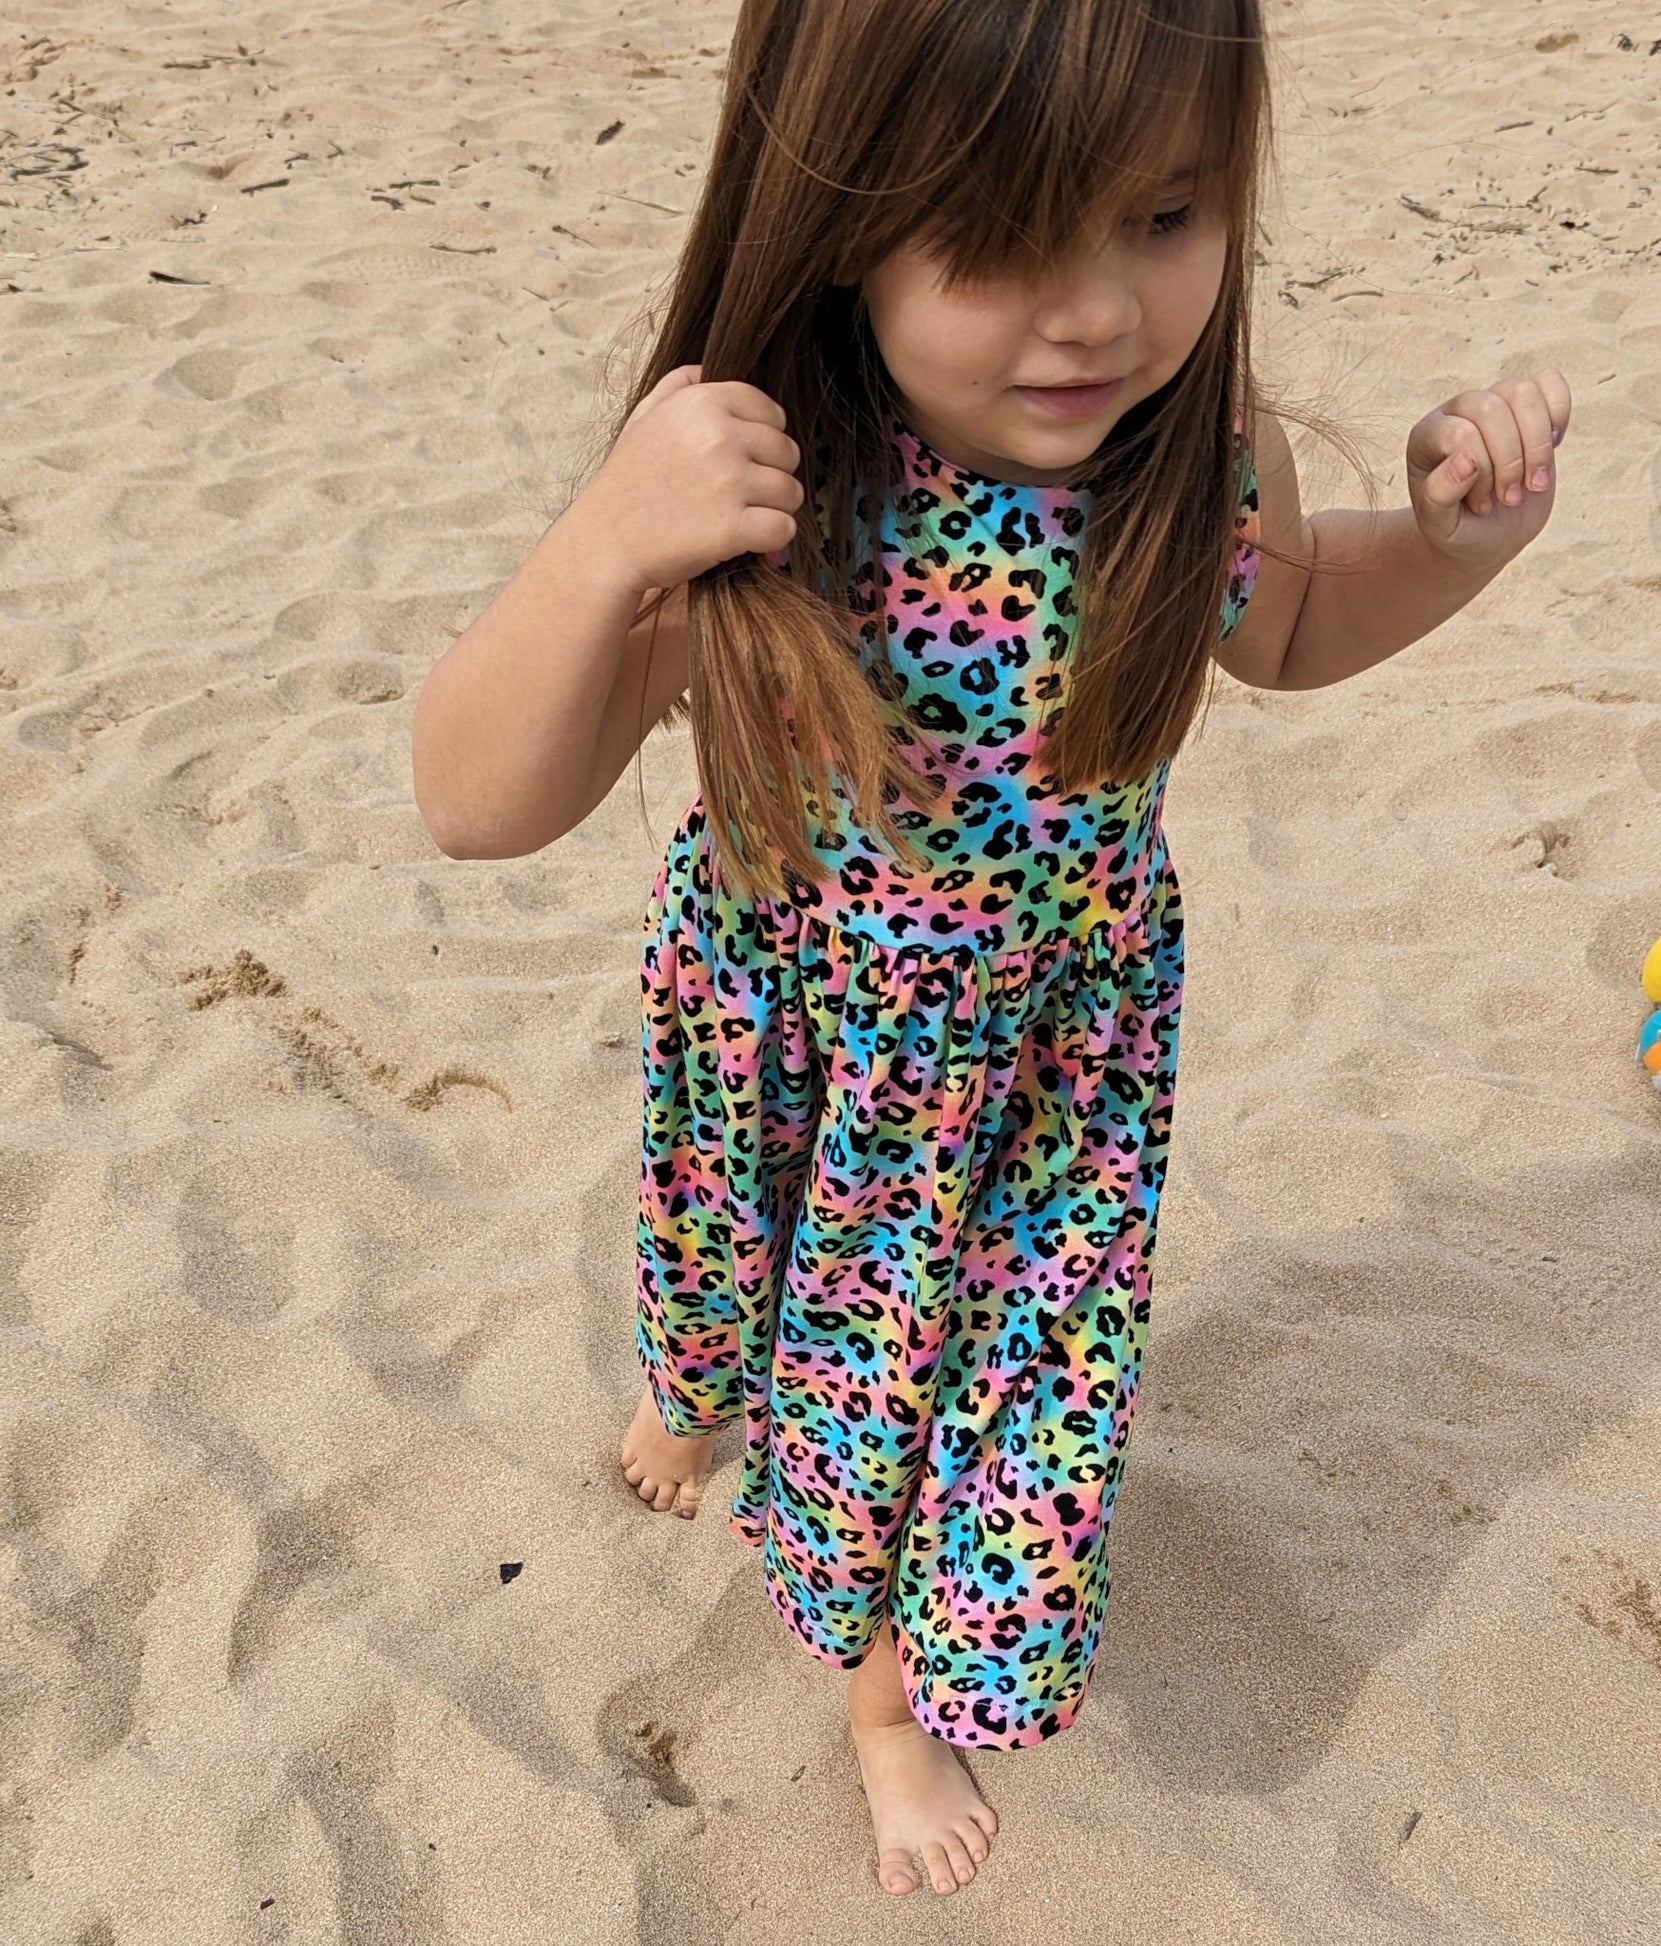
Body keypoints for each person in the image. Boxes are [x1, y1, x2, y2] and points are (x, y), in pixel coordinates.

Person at [411, 0, 1569, 1902]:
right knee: (721, 1250)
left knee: (970, 1387)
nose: (1099, 312)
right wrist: (601, 546)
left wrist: (1448, 547)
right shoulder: (777, 495)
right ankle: (691, 1393)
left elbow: (1279, 625)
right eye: (1004, 241)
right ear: (842, 213)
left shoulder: (1186, 451)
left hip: (1055, 1056)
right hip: (814, 1017)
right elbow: (474, 794)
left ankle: (885, 1694)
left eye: (1167, 214)